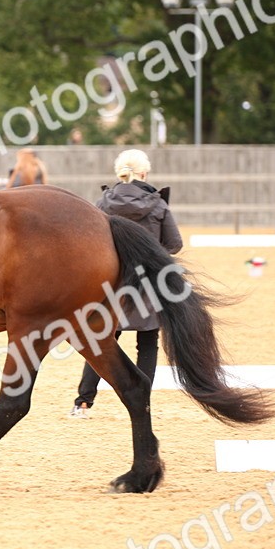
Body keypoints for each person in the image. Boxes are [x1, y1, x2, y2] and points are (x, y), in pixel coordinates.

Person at [72, 148, 183, 417]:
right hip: (147, 284)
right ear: (144, 172)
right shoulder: (157, 205)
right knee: (147, 343)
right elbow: (175, 244)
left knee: (103, 342)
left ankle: (83, 402)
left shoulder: (102, 204)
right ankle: (141, 402)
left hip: (110, 283)